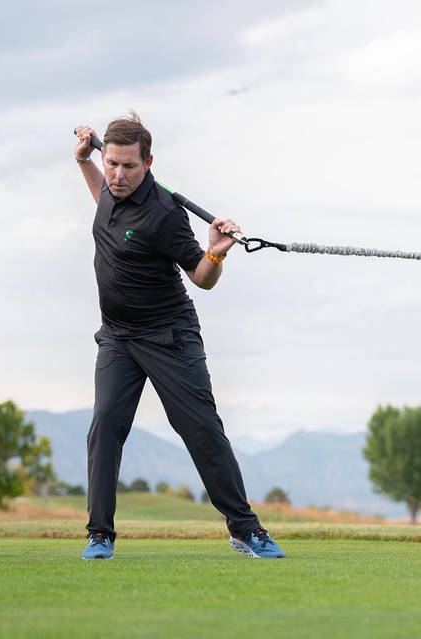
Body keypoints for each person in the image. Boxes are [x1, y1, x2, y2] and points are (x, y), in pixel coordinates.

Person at [73, 112, 283, 560]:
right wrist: (83, 162)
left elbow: (202, 278)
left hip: (169, 336)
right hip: (118, 338)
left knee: (201, 429)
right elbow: (103, 203)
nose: (117, 174)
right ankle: (99, 535)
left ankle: (246, 530)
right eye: (110, 163)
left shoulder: (165, 214)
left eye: (128, 166)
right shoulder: (109, 187)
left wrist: (215, 251)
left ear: (148, 164)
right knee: (105, 425)